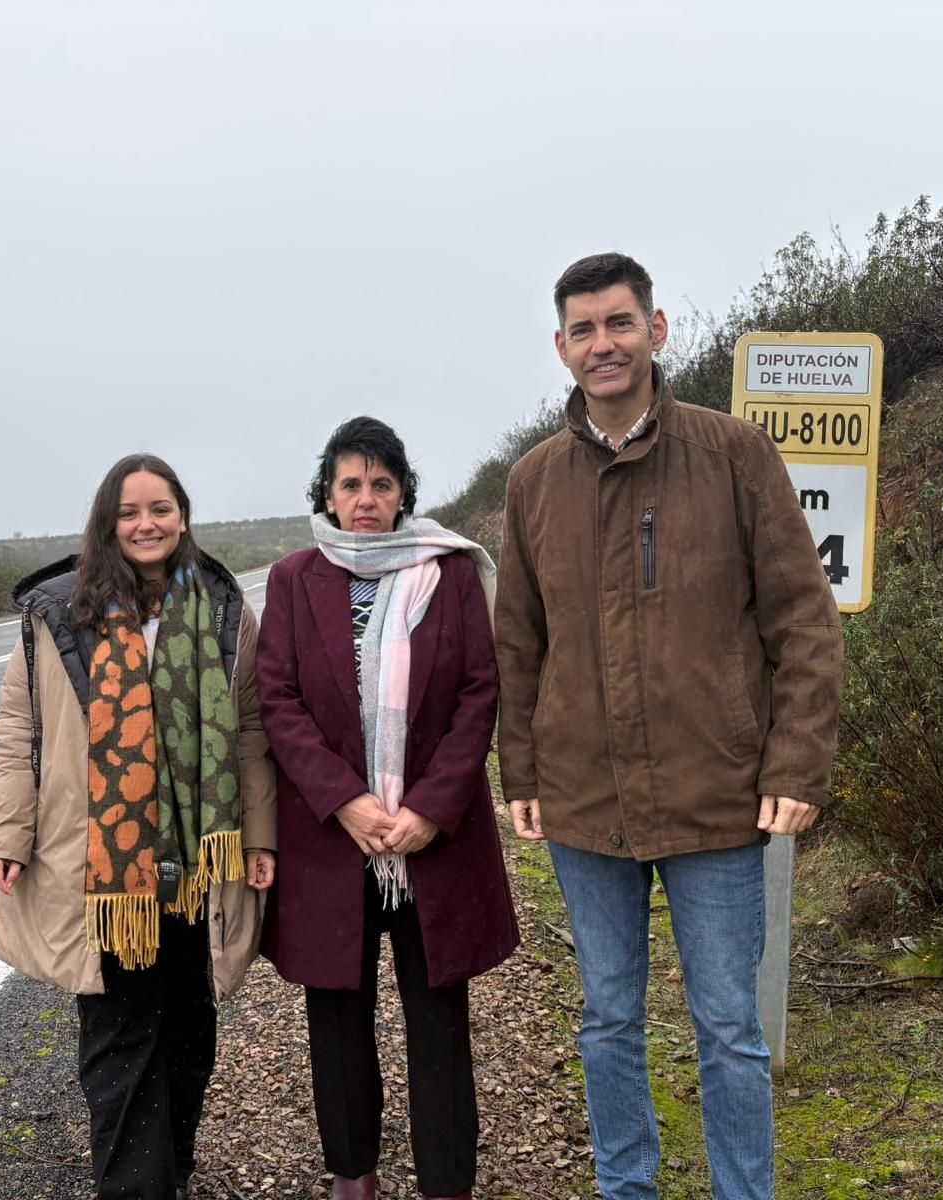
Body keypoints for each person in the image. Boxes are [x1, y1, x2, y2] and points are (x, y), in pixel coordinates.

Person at [494, 253, 844, 1200]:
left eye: (618, 323)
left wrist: (798, 764)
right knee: (608, 1017)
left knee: (729, 1024)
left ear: (655, 330)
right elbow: (518, 646)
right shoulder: (532, 484)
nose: (601, 344)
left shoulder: (735, 454)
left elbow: (802, 625)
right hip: (584, 798)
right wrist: (519, 772)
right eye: (582, 329)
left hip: (718, 796)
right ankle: (627, 1188)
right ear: (561, 348)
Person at [0, 454, 277, 1200]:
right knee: (118, 1033)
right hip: (104, 864)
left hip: (197, 857)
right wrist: (6, 835)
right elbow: (22, 728)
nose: (147, 524)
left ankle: (171, 1167)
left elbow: (248, 729)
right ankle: (133, 1188)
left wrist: (261, 835)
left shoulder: (222, 602)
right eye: (130, 512)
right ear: (107, 523)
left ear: (183, 517)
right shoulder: (57, 611)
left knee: (188, 1024)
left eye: (161, 509)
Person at [257, 417, 519, 1200]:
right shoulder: (293, 579)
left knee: (438, 1015)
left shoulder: (452, 573)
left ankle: (448, 1181)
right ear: (327, 496)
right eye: (350, 485)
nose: (365, 499)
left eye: (380, 484)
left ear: (403, 491)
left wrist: (432, 809)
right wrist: (344, 801)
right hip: (334, 839)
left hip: (431, 840)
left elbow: (480, 692)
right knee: (338, 1015)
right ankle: (353, 1173)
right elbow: (280, 700)